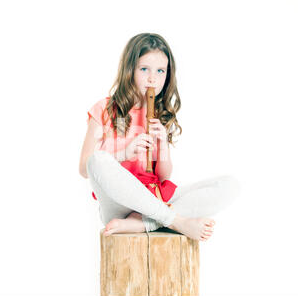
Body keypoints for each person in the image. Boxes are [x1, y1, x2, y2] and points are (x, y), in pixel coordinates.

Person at [79, 33, 240, 241]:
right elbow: (85, 167)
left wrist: (162, 144)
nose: (152, 78)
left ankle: (144, 224)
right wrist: (125, 153)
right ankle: (175, 221)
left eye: (160, 71)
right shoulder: (104, 109)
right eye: (144, 69)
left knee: (229, 185)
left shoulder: (160, 113)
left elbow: (163, 178)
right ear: (130, 69)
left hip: (155, 196)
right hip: (118, 204)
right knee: (98, 159)